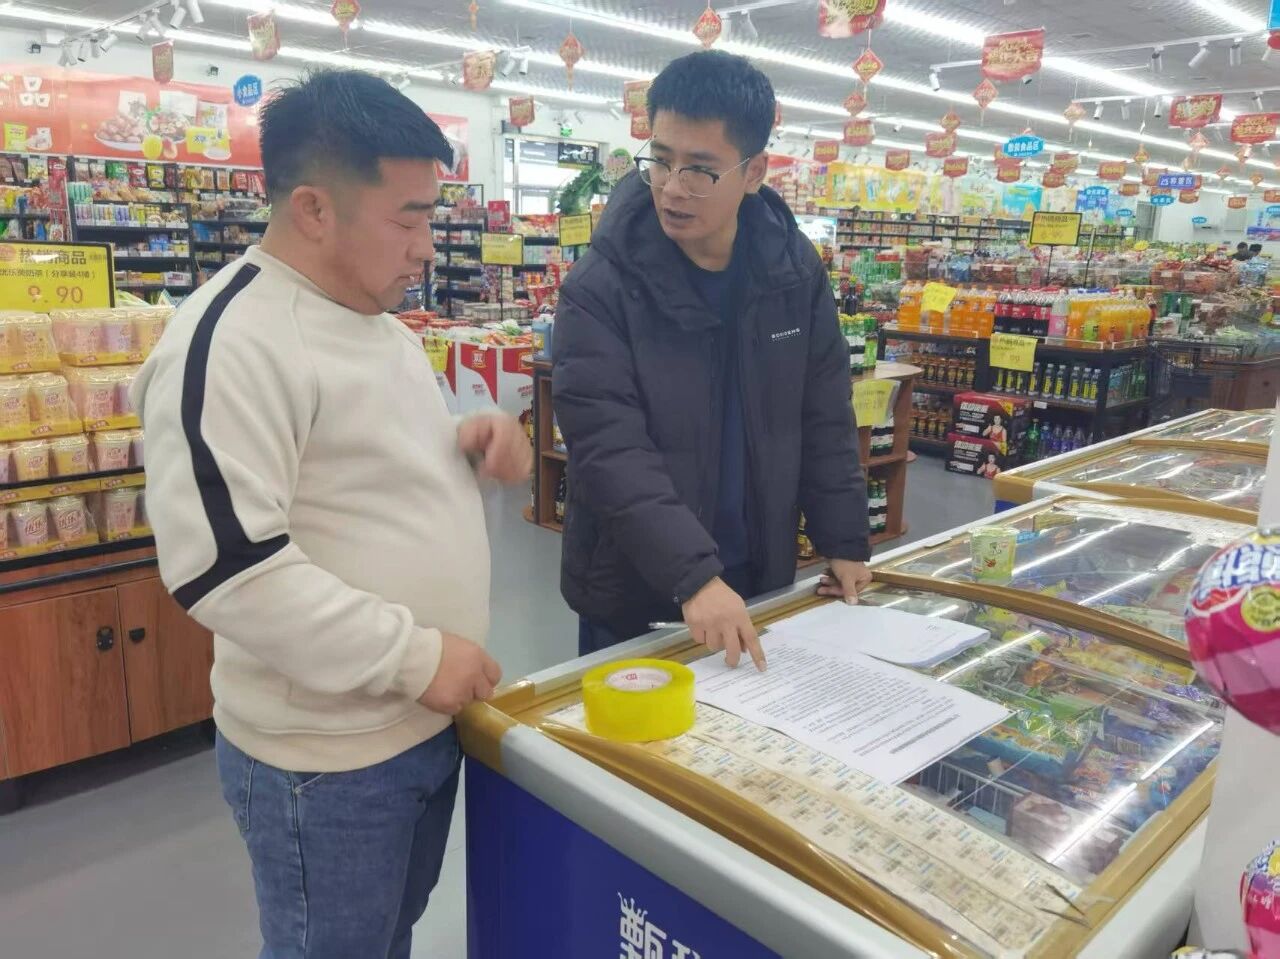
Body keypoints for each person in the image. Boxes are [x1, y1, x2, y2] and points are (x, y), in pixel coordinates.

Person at [133, 70, 530, 959]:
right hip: (326, 764)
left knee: (388, 938)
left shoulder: (376, 322)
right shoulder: (232, 338)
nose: (427, 247)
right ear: (313, 209)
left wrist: (468, 447)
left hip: (418, 725)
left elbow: (357, 478)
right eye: (408, 219)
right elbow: (225, 568)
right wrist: (416, 656)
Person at [553, 51, 872, 670]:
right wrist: (692, 576)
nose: (673, 188)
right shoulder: (601, 286)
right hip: (637, 592)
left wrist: (843, 539)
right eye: (661, 160)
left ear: (754, 172)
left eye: (700, 169)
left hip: (756, 575)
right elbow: (609, 449)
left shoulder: (793, 272)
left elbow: (823, 415)